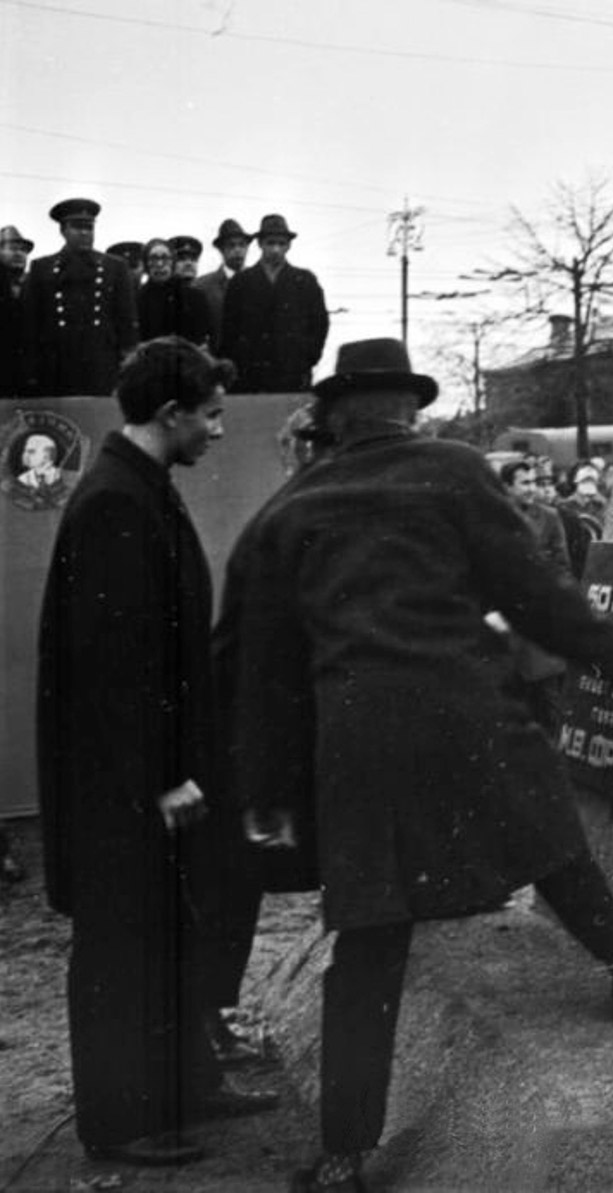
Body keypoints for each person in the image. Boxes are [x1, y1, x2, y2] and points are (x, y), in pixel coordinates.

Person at [226, 338, 613, 1193]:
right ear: (408, 408)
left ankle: (344, 1155)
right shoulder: (457, 471)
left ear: (334, 418)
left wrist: (266, 787)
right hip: (472, 707)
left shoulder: (289, 508)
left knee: (369, 933)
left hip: (359, 733)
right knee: (550, 844)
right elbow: (533, 594)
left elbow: (264, 665)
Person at [37, 336, 278, 1167]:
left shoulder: (140, 486)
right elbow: (111, 667)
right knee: (119, 946)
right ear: (170, 413)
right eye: (209, 414)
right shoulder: (115, 500)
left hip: (151, 777)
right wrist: (161, 775)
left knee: (170, 933)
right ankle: (120, 1120)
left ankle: (185, 1088)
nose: (218, 430)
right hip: (122, 786)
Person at [20, 198, 138, 395]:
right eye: (77, 227)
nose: (85, 233)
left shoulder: (114, 267)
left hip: (102, 367)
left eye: (89, 227)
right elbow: (31, 325)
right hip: (56, 368)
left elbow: (127, 322)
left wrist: (127, 369)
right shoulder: (42, 268)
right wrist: (32, 372)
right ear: (63, 230)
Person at [496, 456, 574, 731]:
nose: (531, 488)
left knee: (548, 704)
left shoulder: (549, 518)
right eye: (524, 483)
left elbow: (562, 567)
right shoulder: (492, 518)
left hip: (539, 627)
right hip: (503, 627)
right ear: (506, 487)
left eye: (533, 482)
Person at [220, 213, 329, 392]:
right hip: (251, 377)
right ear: (260, 244)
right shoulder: (241, 282)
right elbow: (229, 330)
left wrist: (307, 358)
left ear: (289, 245)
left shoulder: (305, 281)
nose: (276, 249)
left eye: (281, 243)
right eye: (270, 243)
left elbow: (319, 324)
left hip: (293, 374)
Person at [137, 238, 213, 346]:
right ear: (146, 264)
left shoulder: (195, 298)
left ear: (173, 262)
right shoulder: (136, 300)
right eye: (153, 259)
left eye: (165, 258)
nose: (159, 264)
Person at [194, 218, 251, 352]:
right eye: (231, 245)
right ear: (221, 250)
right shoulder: (203, 287)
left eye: (242, 245)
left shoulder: (259, 283)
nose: (237, 250)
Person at [0, 224, 33, 396]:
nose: (19, 253)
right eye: (12, 248)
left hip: (29, 372)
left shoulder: (34, 284)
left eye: (24, 250)